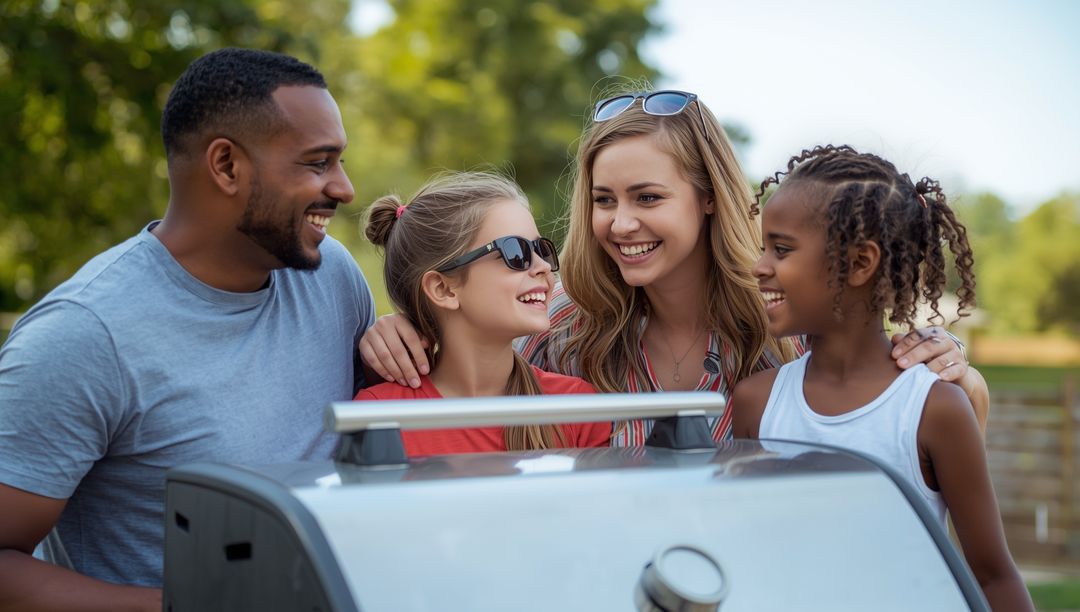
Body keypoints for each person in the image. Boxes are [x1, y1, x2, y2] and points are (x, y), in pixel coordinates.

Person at [359, 88, 987, 445]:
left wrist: (963, 379)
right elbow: (468, 346)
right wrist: (404, 325)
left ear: (707, 197)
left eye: (648, 198)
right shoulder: (563, 329)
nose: (620, 224)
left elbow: (910, 428)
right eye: (604, 200)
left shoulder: (794, 326)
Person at [0, 48, 375, 610]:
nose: (344, 188)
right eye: (318, 163)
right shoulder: (84, 336)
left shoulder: (333, 277)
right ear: (226, 166)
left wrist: (401, 341)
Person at [730, 145, 1030, 611]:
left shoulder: (934, 410)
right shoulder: (756, 402)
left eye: (781, 249)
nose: (759, 267)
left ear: (859, 263)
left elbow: (994, 578)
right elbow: (750, 556)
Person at [357, 172, 609, 455]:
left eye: (542, 250)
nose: (543, 266)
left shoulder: (578, 408)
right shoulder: (380, 416)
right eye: (515, 253)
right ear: (443, 289)